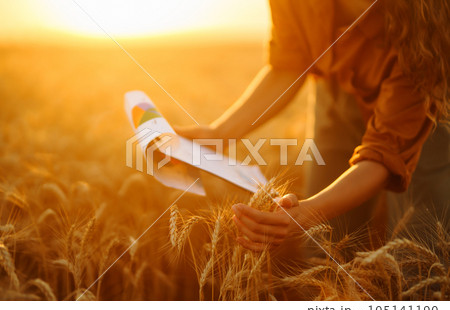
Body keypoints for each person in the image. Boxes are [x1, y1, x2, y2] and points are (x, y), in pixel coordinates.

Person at [175, 0, 449, 251]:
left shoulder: (427, 34)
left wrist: (306, 213)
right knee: (323, 244)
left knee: (418, 244)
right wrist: (220, 134)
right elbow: (289, 62)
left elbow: (384, 153)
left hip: (428, 98)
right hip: (336, 86)